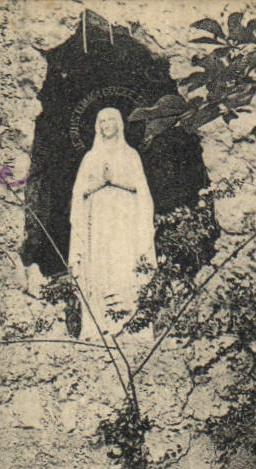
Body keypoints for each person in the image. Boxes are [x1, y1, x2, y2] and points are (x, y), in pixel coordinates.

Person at [69, 106, 157, 338]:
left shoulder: (130, 155)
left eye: (110, 120)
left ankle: (129, 325)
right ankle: (99, 325)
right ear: (98, 127)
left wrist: (114, 180)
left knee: (123, 264)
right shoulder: (90, 158)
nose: (106, 125)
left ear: (120, 124)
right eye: (102, 121)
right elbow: (79, 193)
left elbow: (141, 189)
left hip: (124, 220)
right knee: (100, 266)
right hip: (97, 223)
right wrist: (99, 183)